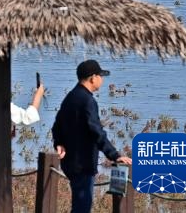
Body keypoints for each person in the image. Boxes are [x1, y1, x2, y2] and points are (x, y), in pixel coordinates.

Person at [52, 60, 132, 213]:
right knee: (82, 207)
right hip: (83, 164)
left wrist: (59, 142)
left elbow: (57, 125)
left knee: (79, 205)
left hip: (69, 163)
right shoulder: (88, 101)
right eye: (101, 76)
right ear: (92, 78)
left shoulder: (71, 97)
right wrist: (114, 155)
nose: (102, 80)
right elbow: (96, 131)